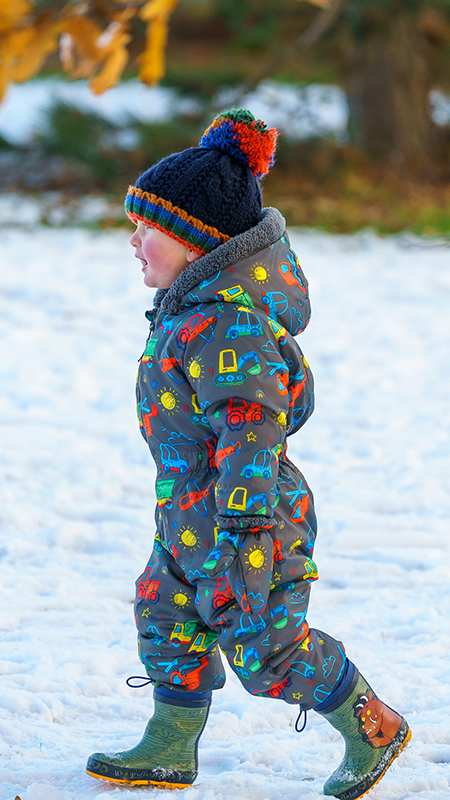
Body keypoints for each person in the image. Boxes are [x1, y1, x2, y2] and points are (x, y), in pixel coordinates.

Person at [86, 108, 410, 798]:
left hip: (249, 513)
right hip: (190, 508)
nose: (133, 241)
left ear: (197, 245)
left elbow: (250, 426)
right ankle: (168, 744)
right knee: (166, 616)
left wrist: (242, 520)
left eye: (149, 228)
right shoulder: (187, 315)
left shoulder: (225, 326)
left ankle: (371, 724)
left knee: (266, 650)